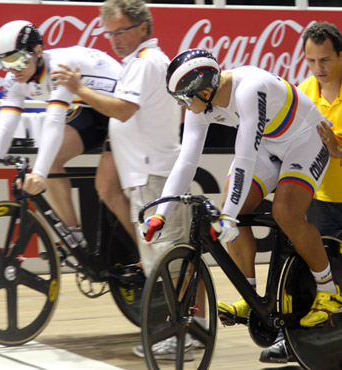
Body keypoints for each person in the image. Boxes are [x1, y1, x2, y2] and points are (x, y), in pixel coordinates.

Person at [143, 48, 342, 333]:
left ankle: (328, 289)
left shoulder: (249, 89)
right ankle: (249, 295)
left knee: (285, 211)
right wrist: (161, 214)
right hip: (271, 143)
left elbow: (245, 158)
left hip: (305, 138)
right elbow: (186, 161)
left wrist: (229, 218)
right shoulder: (202, 104)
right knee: (233, 202)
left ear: (203, 90)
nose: (181, 107)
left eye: (183, 98)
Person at [51, 0, 196, 360]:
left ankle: (182, 337)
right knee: (171, 261)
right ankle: (193, 331)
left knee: (166, 262)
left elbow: (122, 110)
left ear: (143, 28)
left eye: (122, 31)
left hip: (153, 176)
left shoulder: (146, 65)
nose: (115, 39)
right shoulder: (142, 63)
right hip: (151, 172)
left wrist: (78, 88)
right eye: (110, 33)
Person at [0, 20, 133, 246]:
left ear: (38, 51)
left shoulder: (59, 67)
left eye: (17, 60)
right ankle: (74, 238)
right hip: (89, 108)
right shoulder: (14, 78)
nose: (13, 69)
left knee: (107, 189)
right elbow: (5, 127)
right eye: (5, 63)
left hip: (118, 109)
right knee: (52, 162)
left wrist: (38, 173)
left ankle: (146, 257)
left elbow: (54, 121)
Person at [260, 21, 342, 364]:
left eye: (324, 60)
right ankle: (289, 339)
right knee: (305, 271)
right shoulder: (302, 91)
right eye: (310, 61)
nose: (317, 69)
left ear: (341, 54)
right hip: (321, 199)